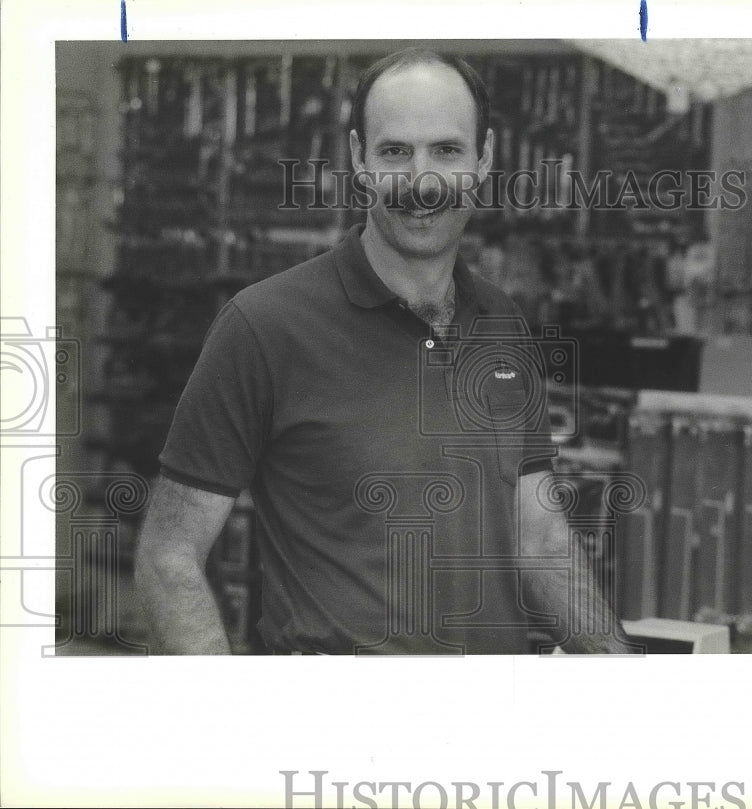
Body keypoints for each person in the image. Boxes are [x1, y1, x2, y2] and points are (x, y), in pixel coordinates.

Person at [135, 48, 636, 655]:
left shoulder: (502, 323)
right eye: (396, 151)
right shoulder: (264, 325)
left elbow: (541, 539)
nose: (421, 181)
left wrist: (622, 679)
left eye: (446, 151)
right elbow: (169, 556)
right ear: (359, 161)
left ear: (484, 160)